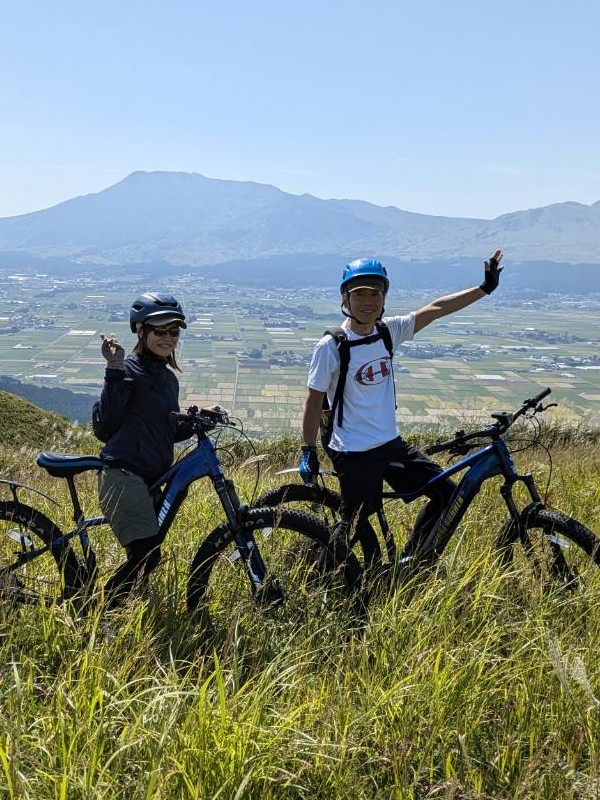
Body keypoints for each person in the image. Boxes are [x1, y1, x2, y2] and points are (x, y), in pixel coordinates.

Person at [299, 250, 503, 561]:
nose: (368, 301)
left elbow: (436, 309)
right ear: (346, 298)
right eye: (359, 294)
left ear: (384, 296)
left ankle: (413, 563)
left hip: (390, 444)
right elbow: (313, 401)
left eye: (375, 293)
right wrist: (308, 450)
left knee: (446, 494)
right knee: (354, 526)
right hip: (353, 451)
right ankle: (323, 574)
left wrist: (484, 288)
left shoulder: (387, 331)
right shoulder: (331, 346)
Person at [97, 291, 195, 607]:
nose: (168, 338)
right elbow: (106, 425)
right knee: (147, 556)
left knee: (144, 554)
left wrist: (198, 421)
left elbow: (164, 430)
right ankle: (99, 611)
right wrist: (114, 368)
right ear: (141, 331)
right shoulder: (127, 370)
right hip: (124, 475)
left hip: (149, 479)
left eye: (174, 332)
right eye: (160, 331)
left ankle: (122, 609)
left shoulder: (168, 379)